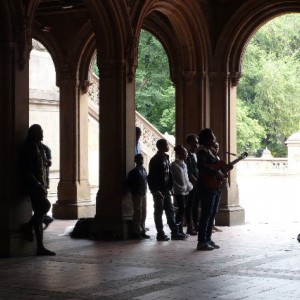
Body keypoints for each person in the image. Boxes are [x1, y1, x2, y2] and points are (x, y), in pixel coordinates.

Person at [21, 124, 56, 256]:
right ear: (33, 133)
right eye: (40, 132)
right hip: (33, 186)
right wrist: (37, 184)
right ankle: (28, 226)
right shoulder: (29, 148)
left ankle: (40, 247)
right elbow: (26, 170)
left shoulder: (39, 147)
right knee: (45, 206)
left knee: (39, 216)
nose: (42, 134)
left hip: (39, 184)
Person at [196, 128, 232, 251]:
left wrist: (225, 169)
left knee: (212, 213)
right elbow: (202, 168)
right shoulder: (201, 152)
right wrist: (217, 172)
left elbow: (218, 169)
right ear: (207, 139)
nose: (214, 139)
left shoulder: (210, 151)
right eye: (212, 137)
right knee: (206, 213)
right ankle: (201, 241)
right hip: (207, 186)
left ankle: (208, 239)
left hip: (215, 185)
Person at [148, 138, 187, 241]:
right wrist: (155, 191)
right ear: (161, 146)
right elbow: (152, 177)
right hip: (159, 190)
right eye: (166, 145)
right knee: (159, 211)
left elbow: (168, 175)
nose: (168, 146)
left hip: (165, 189)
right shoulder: (155, 160)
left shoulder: (165, 158)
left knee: (170, 211)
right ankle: (160, 233)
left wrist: (170, 188)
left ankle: (174, 232)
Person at [170, 145, 193, 237]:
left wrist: (189, 186)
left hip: (186, 190)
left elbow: (186, 178)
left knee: (183, 209)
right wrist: (180, 187)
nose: (186, 154)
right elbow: (173, 180)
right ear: (178, 153)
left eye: (186, 152)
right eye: (184, 152)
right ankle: (176, 231)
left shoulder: (184, 164)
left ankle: (180, 231)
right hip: (179, 191)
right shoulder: (174, 165)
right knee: (180, 209)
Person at [127, 154, 150, 239]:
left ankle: (142, 230)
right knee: (137, 213)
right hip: (137, 194)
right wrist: (134, 192)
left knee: (144, 212)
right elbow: (129, 184)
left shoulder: (143, 170)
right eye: (139, 159)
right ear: (135, 161)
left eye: (142, 158)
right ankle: (136, 231)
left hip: (143, 193)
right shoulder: (133, 172)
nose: (141, 160)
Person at [185, 134, 199, 235]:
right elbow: (188, 171)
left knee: (196, 205)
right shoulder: (187, 155)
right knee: (190, 205)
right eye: (194, 141)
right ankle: (189, 226)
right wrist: (195, 181)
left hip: (198, 183)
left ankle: (195, 224)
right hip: (191, 184)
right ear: (189, 143)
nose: (196, 143)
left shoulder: (197, 154)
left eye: (197, 141)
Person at [40, 142, 54, 230]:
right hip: (41, 180)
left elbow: (48, 163)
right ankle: (45, 218)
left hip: (40, 180)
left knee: (43, 203)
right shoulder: (44, 148)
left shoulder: (42, 148)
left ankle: (45, 218)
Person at [210, 141, 223, 233]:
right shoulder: (209, 157)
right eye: (215, 147)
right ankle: (208, 228)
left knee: (215, 208)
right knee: (210, 209)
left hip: (217, 184)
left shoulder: (217, 157)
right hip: (211, 184)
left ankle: (212, 225)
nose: (217, 149)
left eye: (218, 147)